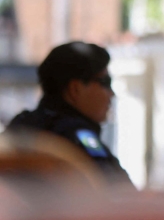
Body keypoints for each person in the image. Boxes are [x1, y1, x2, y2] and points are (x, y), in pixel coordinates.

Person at [5, 42, 132, 187]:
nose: (112, 94)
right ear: (75, 89)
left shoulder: (21, 126)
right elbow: (121, 193)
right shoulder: (76, 135)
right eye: (105, 82)